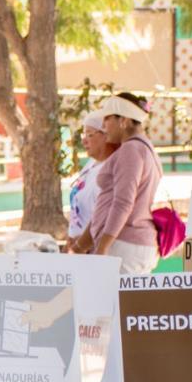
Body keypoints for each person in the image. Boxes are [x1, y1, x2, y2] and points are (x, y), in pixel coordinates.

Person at [79, 92, 161, 274]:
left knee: (112, 302)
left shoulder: (131, 150)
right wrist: (81, 246)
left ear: (123, 120)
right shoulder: (144, 148)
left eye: (107, 119)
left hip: (123, 245)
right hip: (129, 245)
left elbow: (123, 202)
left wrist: (102, 249)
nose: (104, 126)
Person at [65, 113, 120, 253]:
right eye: (84, 135)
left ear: (106, 136)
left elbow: (104, 217)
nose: (84, 141)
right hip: (80, 248)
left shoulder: (111, 169)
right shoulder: (92, 164)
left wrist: (81, 244)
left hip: (95, 250)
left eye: (89, 134)